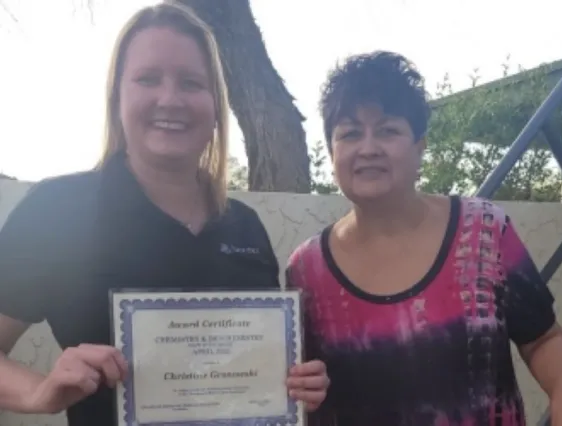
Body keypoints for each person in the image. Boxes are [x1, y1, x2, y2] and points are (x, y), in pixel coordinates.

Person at [0, 3, 328, 426]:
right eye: (148, 79)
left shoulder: (245, 224)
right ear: (117, 95)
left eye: (191, 83)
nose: (170, 99)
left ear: (215, 106)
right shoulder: (57, 210)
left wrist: (299, 384)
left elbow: (259, 370)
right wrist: (39, 392)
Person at [286, 51, 562, 425]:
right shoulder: (306, 271)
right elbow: (291, 384)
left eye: (388, 130)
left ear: (420, 145)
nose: (368, 148)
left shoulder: (483, 233)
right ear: (332, 150)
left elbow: (544, 342)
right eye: (350, 133)